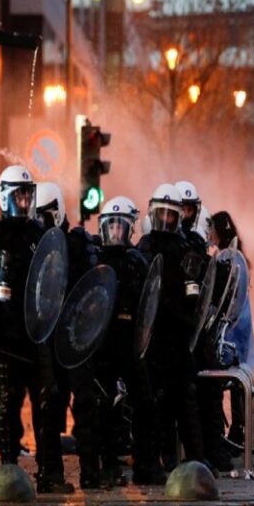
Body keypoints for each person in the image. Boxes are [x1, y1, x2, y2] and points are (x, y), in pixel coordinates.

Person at [0, 166, 73, 493]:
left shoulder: (38, 233)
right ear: (5, 197)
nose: (26, 201)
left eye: (28, 194)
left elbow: (53, 279)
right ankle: (8, 474)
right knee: (8, 404)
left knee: (47, 403)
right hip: (5, 336)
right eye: (19, 195)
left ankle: (50, 474)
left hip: (36, 333)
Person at [137, 184, 211, 475]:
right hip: (153, 338)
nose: (166, 220)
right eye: (162, 213)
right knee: (155, 402)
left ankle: (197, 459)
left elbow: (196, 294)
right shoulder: (144, 247)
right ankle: (160, 459)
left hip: (178, 338)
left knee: (186, 398)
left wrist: (194, 281)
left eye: (172, 214)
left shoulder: (185, 247)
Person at [35, 182, 101, 488]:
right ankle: (50, 473)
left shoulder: (77, 244)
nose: (41, 221)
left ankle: (91, 472)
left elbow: (92, 288)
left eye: (46, 214)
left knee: (85, 404)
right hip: (49, 338)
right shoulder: (35, 245)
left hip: (75, 336)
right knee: (50, 403)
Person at [96, 196, 165, 485]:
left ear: (129, 228)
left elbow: (148, 302)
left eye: (120, 226)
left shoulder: (137, 261)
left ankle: (145, 465)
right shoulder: (96, 260)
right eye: (111, 226)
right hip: (104, 343)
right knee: (104, 406)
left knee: (145, 403)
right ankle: (108, 466)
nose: (115, 232)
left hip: (131, 343)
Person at [208, 211, 254, 451]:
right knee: (238, 382)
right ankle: (238, 430)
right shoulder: (237, 258)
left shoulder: (226, 260)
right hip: (241, 328)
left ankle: (232, 432)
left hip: (231, 329)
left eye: (212, 229)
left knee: (222, 379)